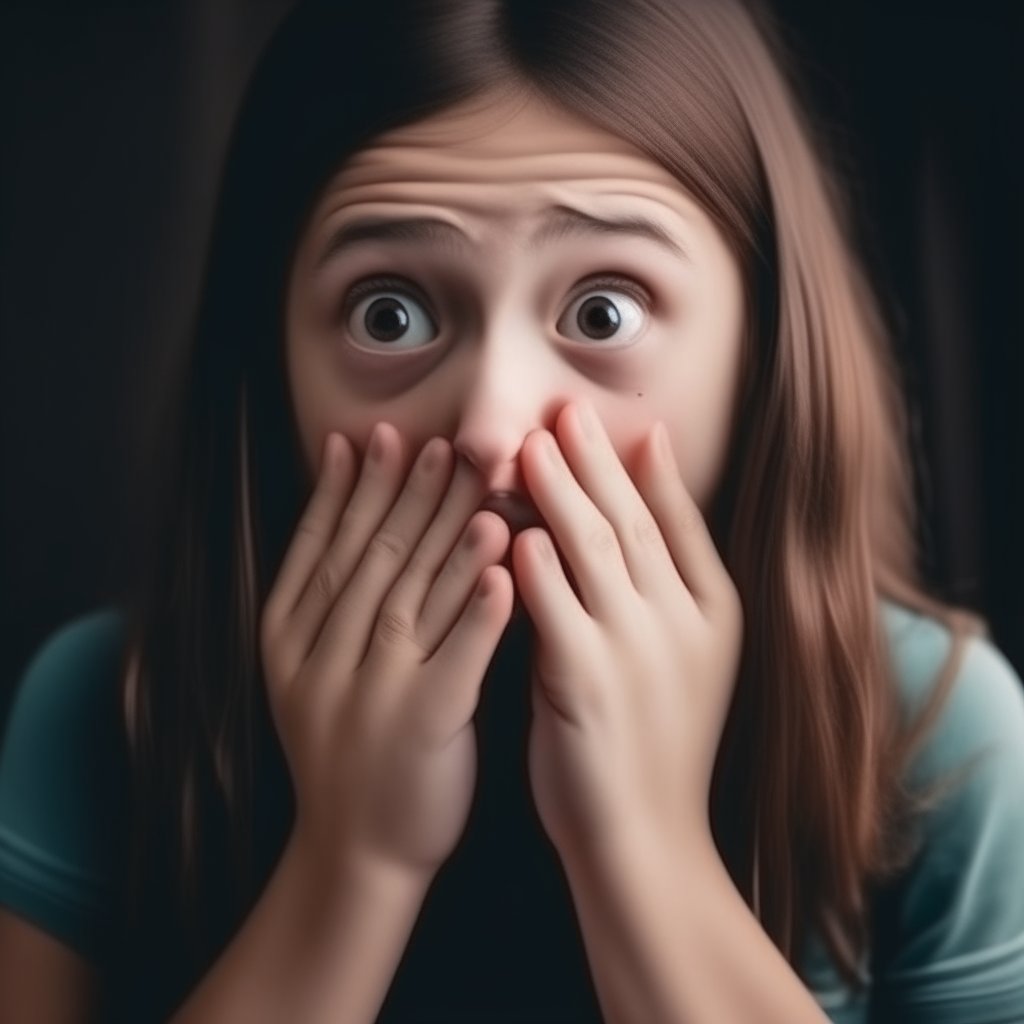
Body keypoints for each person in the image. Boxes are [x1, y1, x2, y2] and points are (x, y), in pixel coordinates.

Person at [1, 1, 1022, 1022]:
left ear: (760, 357)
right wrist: (351, 860)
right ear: (270, 364)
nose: (491, 427)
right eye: (388, 312)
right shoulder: (104, 711)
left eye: (602, 311)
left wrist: (645, 847)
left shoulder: (939, 735)